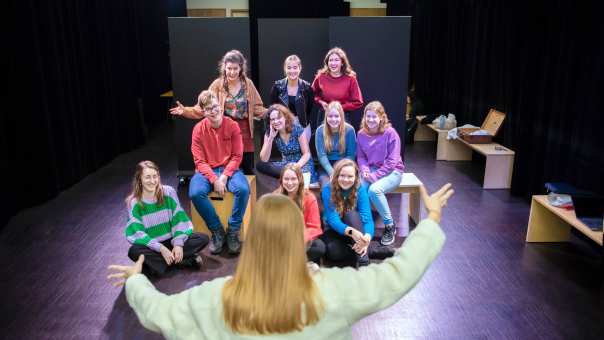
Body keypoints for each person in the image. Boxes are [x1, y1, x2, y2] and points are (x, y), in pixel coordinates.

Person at [108, 183, 454, 339]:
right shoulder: (335, 291)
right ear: (296, 238)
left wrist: (136, 279)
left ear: (253, 239)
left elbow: (156, 312)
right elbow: (400, 273)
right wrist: (432, 218)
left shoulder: (212, 298)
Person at [170, 50, 266, 175]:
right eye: (229, 68)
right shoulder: (217, 85)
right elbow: (202, 108)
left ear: (241, 68)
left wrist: (274, 112)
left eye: (235, 68)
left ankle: (247, 193)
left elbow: (257, 107)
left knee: (247, 169)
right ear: (224, 67)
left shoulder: (248, 84)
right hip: (225, 130)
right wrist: (185, 111)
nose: (232, 72)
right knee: (227, 168)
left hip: (244, 132)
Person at [188, 90, 250, 255]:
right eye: (208, 109)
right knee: (195, 193)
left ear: (221, 107)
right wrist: (214, 178)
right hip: (206, 170)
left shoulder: (232, 126)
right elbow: (199, 161)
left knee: (243, 190)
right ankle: (217, 230)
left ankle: (233, 230)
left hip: (229, 169)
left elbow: (237, 156)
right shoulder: (198, 130)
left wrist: (223, 176)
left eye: (215, 107)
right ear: (203, 112)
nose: (213, 111)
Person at [124, 160, 209, 277]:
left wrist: (178, 243)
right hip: (153, 246)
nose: (152, 181)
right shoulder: (134, 202)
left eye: (155, 176)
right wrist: (161, 249)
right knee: (133, 251)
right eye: (147, 177)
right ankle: (182, 261)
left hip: (172, 240)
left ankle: (159, 266)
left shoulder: (168, 192)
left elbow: (178, 219)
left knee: (202, 238)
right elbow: (137, 233)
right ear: (139, 179)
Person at [357, 101, 405, 246]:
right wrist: (365, 171)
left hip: (393, 171)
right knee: (359, 188)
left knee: (374, 190)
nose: (371, 120)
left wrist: (375, 176)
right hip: (370, 169)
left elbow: (392, 161)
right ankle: (365, 224)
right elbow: (361, 157)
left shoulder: (391, 133)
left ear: (381, 117)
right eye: (368, 116)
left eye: (374, 117)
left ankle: (390, 226)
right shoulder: (361, 134)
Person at [320, 159, 374, 267]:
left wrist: (367, 236)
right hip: (334, 229)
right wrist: (352, 232)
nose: (346, 179)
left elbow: (367, 219)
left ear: (356, 177)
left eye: (350, 176)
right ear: (336, 176)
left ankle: (363, 259)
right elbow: (333, 220)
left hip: (354, 226)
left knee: (351, 214)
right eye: (342, 175)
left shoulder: (360, 189)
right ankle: (371, 250)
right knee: (334, 253)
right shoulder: (328, 189)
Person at [274, 163, 325, 265]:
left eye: (293, 179)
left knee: (319, 247)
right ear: (281, 180)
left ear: (300, 180)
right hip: (282, 239)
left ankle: (290, 261)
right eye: (286, 179)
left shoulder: (309, 197)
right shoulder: (275, 197)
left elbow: (315, 227)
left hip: (302, 239)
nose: (290, 183)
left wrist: (299, 239)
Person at [256, 104, 317, 183]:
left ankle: (288, 175)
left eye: (278, 118)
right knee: (260, 165)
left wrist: (295, 167)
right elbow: (264, 159)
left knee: (301, 175)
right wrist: (271, 138)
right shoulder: (270, 132)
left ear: (285, 117)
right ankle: (287, 175)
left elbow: (307, 154)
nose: (276, 121)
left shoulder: (297, 128)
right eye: (272, 119)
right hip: (285, 164)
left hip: (301, 164)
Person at [311, 47, 363, 129]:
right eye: (330, 60)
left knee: (343, 141)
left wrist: (339, 107)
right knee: (323, 140)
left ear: (342, 62)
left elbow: (358, 101)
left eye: (336, 60)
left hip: (343, 116)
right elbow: (311, 94)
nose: (333, 63)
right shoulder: (321, 77)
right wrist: (321, 102)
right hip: (324, 116)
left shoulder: (350, 79)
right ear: (327, 62)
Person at [269, 54, 315, 142]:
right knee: (287, 154)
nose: (292, 71)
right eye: (289, 68)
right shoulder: (277, 87)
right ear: (285, 69)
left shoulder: (307, 88)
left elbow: (309, 109)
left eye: (295, 67)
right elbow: (273, 108)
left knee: (304, 153)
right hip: (283, 125)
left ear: (300, 68)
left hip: (303, 125)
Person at [315, 101, 357, 187]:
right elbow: (322, 156)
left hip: (345, 164)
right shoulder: (320, 131)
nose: (333, 119)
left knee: (347, 185)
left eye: (336, 116)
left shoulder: (349, 130)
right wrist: (332, 172)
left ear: (341, 117)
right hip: (326, 166)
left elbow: (351, 155)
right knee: (327, 187)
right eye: (330, 116)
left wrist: (340, 171)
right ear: (326, 117)